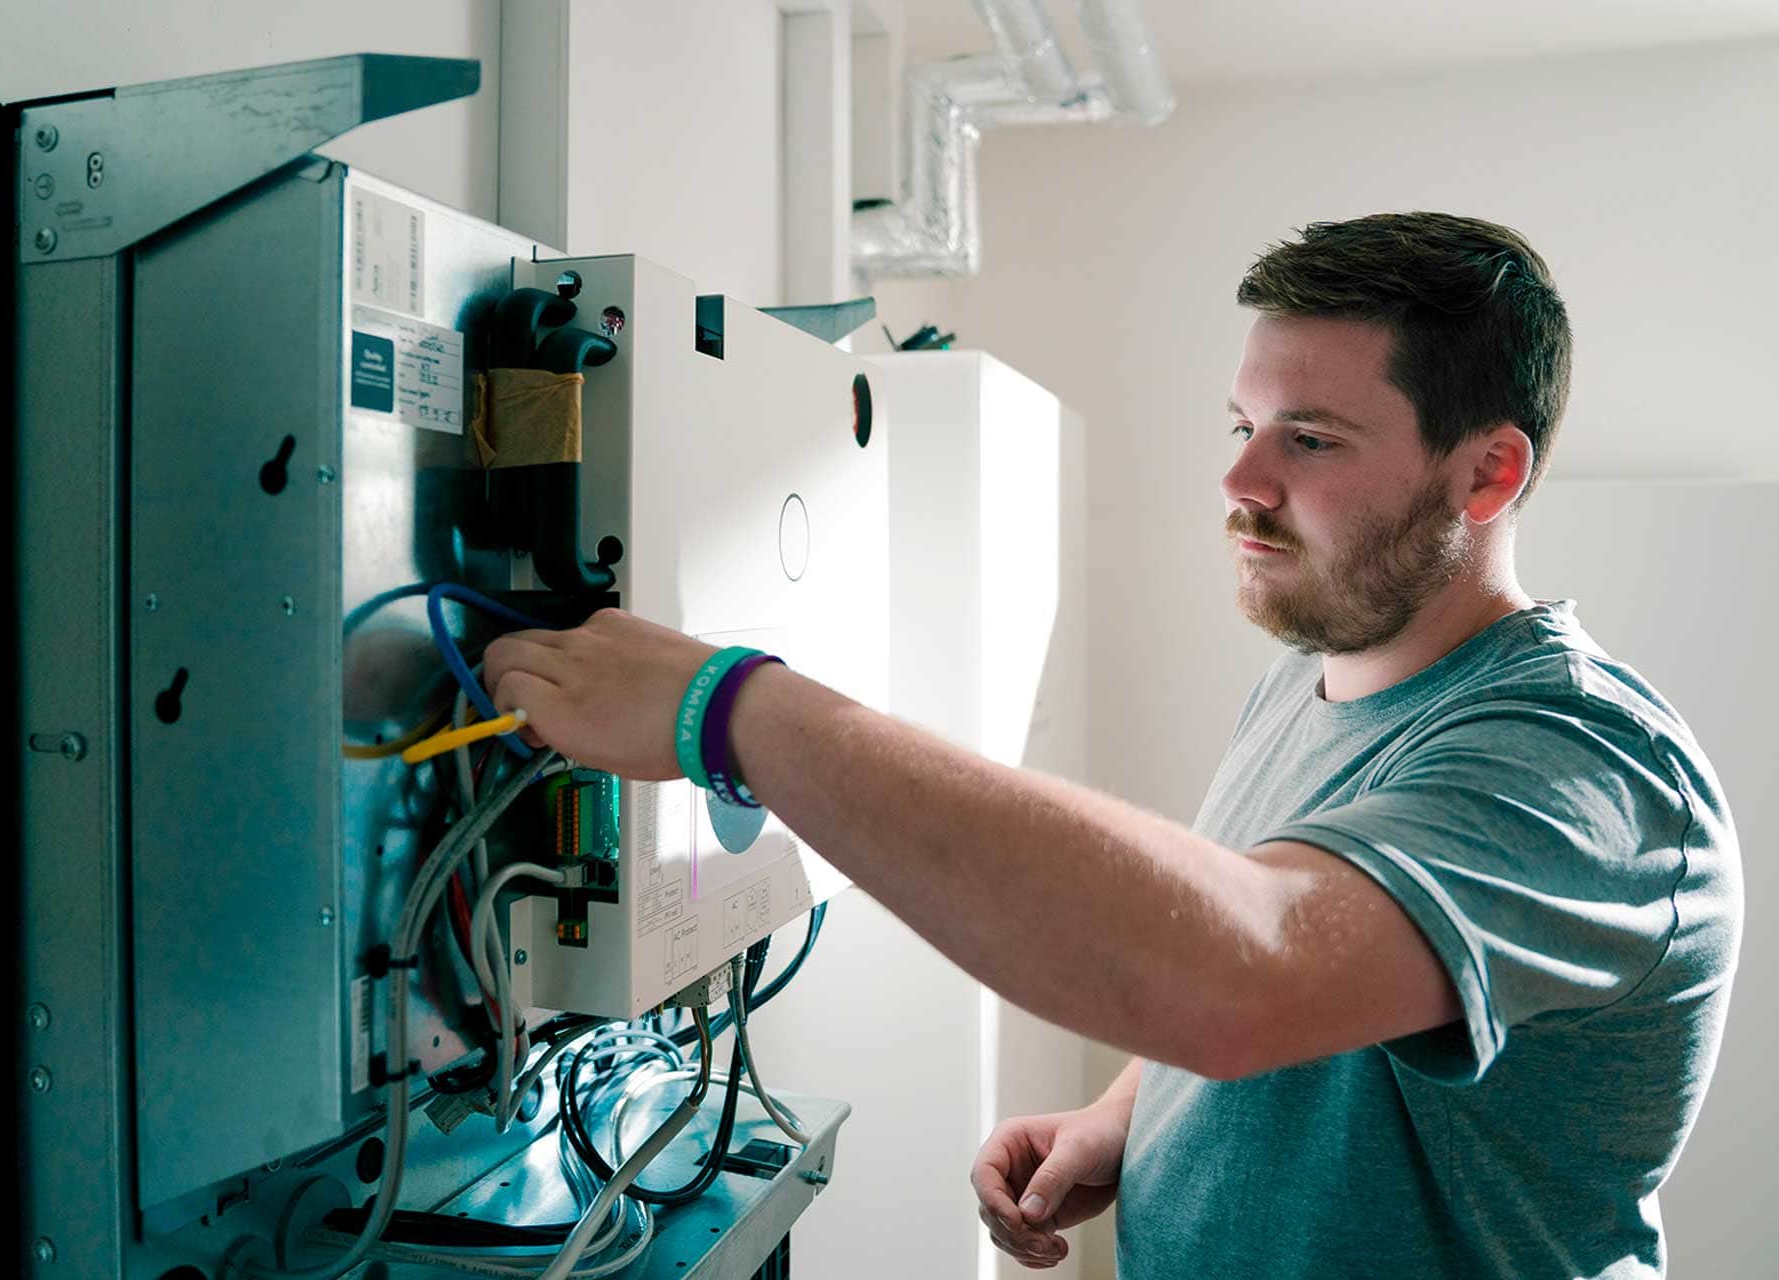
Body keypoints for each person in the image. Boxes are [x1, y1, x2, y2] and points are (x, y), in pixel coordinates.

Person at [481, 212, 1742, 1278]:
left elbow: (1242, 970)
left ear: (1486, 474)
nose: (1242, 477)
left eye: (1309, 437)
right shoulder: (1305, 688)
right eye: (1239, 423)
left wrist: (728, 707)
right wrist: (1124, 1116)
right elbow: (1279, 968)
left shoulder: (1586, 767)